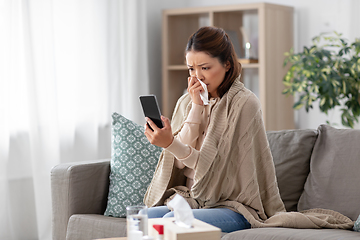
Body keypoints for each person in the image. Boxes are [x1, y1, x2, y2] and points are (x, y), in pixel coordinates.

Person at [142, 26, 284, 233]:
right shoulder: (186, 102)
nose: (197, 77)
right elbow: (180, 164)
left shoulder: (244, 103)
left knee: (172, 220)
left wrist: (171, 143)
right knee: (144, 217)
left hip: (233, 206)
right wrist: (197, 107)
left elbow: (209, 172)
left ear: (227, 64)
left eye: (205, 68)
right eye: (191, 69)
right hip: (193, 200)